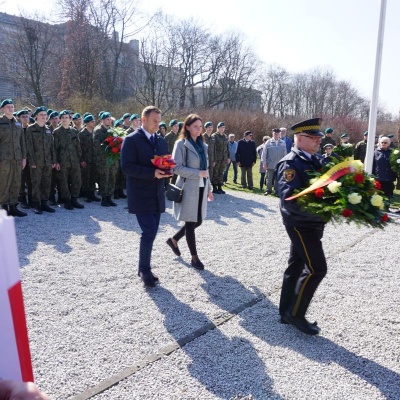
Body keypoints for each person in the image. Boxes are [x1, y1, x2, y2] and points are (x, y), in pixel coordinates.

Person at [276, 117, 327, 335]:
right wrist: (320, 211)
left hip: (311, 222)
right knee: (317, 268)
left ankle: (285, 311)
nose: (318, 141)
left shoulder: (314, 160)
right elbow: (290, 198)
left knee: (296, 265)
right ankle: (296, 314)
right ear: (299, 138)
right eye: (312, 137)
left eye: (318, 137)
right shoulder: (291, 163)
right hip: (301, 223)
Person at [121, 105, 173, 288]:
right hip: (140, 193)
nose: (157, 125)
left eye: (159, 122)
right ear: (143, 120)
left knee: (152, 232)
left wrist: (168, 170)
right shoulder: (131, 140)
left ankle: (143, 268)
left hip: (157, 193)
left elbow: (164, 161)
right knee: (149, 231)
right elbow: (127, 167)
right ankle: (144, 269)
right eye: (154, 121)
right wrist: (152, 173)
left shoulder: (160, 140)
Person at [166, 114, 213, 270]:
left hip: (201, 186)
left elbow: (205, 170)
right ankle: (194, 258)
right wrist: (197, 173)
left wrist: (210, 188)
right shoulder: (181, 144)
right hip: (188, 188)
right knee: (191, 222)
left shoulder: (203, 146)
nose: (198, 130)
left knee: (198, 220)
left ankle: (174, 239)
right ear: (187, 127)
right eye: (195, 126)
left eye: (200, 127)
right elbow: (176, 168)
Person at [25, 106, 57, 214]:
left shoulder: (48, 130)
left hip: (47, 161)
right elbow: (29, 147)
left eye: (45, 115)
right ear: (36, 116)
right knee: (36, 183)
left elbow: (52, 147)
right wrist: (32, 162)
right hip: (36, 162)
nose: (43, 116)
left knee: (46, 183)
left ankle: (44, 203)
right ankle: (37, 204)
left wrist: (53, 160)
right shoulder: (31, 129)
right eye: (41, 114)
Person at [0, 99, 27, 217]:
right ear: (2, 109)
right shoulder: (0, 122)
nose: (11, 109)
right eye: (8, 107)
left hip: (17, 158)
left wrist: (24, 158)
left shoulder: (18, 123)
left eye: (12, 107)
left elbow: (22, 142)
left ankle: (13, 206)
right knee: (4, 182)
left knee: (16, 182)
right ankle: (4, 207)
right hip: (4, 158)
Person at [53, 110, 85, 210]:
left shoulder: (74, 131)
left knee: (77, 180)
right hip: (63, 161)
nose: (65, 119)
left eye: (66, 117)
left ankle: (74, 199)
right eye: (62, 118)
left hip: (74, 160)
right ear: (60, 119)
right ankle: (66, 200)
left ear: (70, 119)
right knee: (64, 182)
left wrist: (81, 159)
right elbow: (54, 148)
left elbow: (78, 146)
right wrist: (56, 161)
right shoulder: (56, 132)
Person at [93, 112, 119, 207]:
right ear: (102, 120)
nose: (109, 121)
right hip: (103, 159)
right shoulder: (98, 130)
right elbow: (96, 145)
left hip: (112, 158)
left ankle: (109, 197)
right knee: (105, 178)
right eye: (107, 119)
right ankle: (104, 198)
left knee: (112, 177)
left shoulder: (113, 130)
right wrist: (107, 145)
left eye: (110, 119)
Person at [79, 114, 100, 202]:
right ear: (87, 123)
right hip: (86, 159)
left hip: (94, 159)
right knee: (86, 178)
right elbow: (79, 148)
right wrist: (81, 160)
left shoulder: (95, 132)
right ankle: (87, 195)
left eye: (94, 121)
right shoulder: (82, 134)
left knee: (93, 177)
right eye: (92, 121)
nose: (94, 123)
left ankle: (92, 194)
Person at [262, 128, 287, 195]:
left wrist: (285, 163)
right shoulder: (268, 142)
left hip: (279, 165)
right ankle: (268, 190)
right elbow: (264, 153)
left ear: (279, 134)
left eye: (277, 134)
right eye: (274, 134)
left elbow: (285, 154)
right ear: (272, 134)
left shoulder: (283, 143)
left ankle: (276, 191)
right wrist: (264, 163)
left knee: (277, 178)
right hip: (270, 164)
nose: (276, 135)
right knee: (269, 178)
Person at [372, 136, 396, 200]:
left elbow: (395, 165)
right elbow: (373, 164)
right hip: (378, 177)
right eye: (382, 142)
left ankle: (387, 207)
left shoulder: (392, 152)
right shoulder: (375, 152)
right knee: (377, 196)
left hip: (389, 178)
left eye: (385, 142)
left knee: (387, 195)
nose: (383, 144)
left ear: (388, 144)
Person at [211, 122, 229, 194]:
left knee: (221, 172)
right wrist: (214, 159)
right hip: (217, 158)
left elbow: (227, 148)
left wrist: (228, 157)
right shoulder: (214, 136)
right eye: (221, 127)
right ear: (217, 128)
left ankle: (220, 187)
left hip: (224, 158)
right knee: (215, 172)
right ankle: (214, 187)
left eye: (223, 127)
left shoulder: (225, 137)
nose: (222, 129)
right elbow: (213, 148)